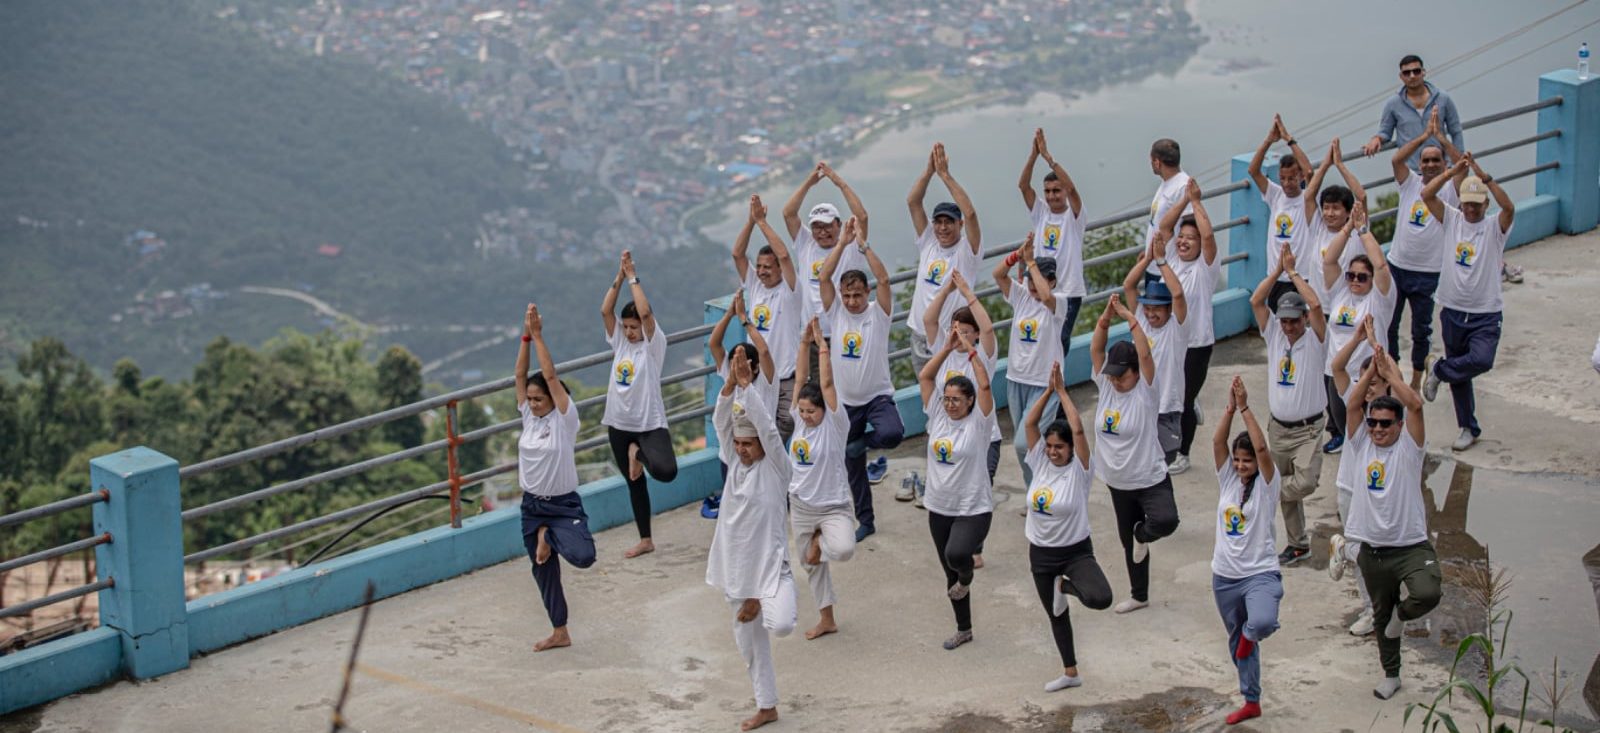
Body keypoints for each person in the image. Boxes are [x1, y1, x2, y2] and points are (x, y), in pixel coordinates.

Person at [1331, 343, 1440, 700]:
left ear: (1398, 425)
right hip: (1373, 548)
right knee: (1380, 616)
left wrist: (1391, 374)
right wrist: (1367, 375)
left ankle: (1401, 617)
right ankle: (1391, 674)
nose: (1377, 428)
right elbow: (1351, 405)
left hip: (1409, 545)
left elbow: (1416, 405)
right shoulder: (1361, 442)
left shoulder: (1410, 447)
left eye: (1384, 424)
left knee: (1427, 593)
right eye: (1373, 422)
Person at [707, 352, 798, 731]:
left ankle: (763, 599)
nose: (742, 449)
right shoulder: (734, 462)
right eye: (739, 443)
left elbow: (770, 430)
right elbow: (720, 422)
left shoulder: (777, 468)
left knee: (781, 625)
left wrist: (748, 387)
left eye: (749, 443)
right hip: (736, 569)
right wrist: (729, 386)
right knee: (749, 646)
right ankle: (767, 706)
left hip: (771, 570)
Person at [1023, 363, 1111, 692]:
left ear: (1071, 451)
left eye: (1059, 447)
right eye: (1049, 446)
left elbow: (1078, 431)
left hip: (1075, 552)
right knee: (1057, 618)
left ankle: (1065, 587)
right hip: (1041, 555)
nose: (1053, 451)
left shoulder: (1080, 470)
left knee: (1101, 597)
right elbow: (1030, 424)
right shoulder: (1040, 462)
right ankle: (1070, 672)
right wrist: (1047, 391)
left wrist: (1063, 392)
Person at [514, 304, 596, 653]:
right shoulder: (529, 418)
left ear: (554, 399)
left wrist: (540, 337)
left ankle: (550, 535)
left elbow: (548, 375)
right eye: (529, 400)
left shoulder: (565, 421)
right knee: (543, 572)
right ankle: (559, 631)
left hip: (563, 505)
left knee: (583, 556)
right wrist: (524, 336)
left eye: (538, 400)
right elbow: (520, 377)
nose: (531, 404)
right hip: (532, 506)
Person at [1090, 294, 1179, 614]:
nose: (1115, 380)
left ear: (1137, 373)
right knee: (1128, 544)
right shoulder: (1105, 387)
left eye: (1121, 375)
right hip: (1117, 481)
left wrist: (1129, 315)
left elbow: (1143, 350)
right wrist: (1104, 317)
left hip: (1148, 476)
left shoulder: (1146, 390)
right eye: (1112, 375)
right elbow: (1097, 349)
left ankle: (1143, 534)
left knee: (1166, 521)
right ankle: (1139, 594)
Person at [1421, 153, 1515, 452]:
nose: (1471, 209)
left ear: (1485, 204)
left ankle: (1439, 369)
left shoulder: (1493, 228)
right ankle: (1467, 427)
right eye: (1467, 203)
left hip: (1485, 312)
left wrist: (1482, 176)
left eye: (1477, 204)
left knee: (1481, 360)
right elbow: (1426, 193)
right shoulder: (1451, 218)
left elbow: (1509, 207)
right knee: (1462, 379)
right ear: (1461, 202)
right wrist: (1451, 173)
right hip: (1452, 308)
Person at [819, 220, 905, 541]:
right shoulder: (837, 313)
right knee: (852, 467)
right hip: (846, 403)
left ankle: (863, 444)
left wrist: (863, 246)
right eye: (848, 295)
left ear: (866, 293)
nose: (852, 300)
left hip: (877, 398)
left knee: (893, 433)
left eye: (857, 294)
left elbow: (883, 278)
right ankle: (865, 521)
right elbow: (824, 277)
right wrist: (841, 244)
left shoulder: (877, 314)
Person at [917, 324, 998, 650]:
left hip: (973, 507)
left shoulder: (979, 422)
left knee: (958, 555)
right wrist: (948, 349)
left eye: (956, 400)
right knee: (949, 572)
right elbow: (925, 377)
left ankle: (967, 577)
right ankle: (963, 628)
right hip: (939, 506)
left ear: (969, 402)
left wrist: (972, 350)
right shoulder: (936, 415)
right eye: (947, 399)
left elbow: (985, 384)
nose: (950, 405)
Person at [1248, 246, 1327, 567]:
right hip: (1278, 427)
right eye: (1284, 320)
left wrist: (1293, 273)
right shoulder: (1274, 335)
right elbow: (1256, 301)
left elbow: (1318, 304)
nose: (1289, 326)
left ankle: (1265, 496)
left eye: (1295, 320)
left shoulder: (1317, 338)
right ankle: (1298, 544)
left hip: (1308, 429)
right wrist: (1276, 271)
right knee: (1288, 498)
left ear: (1304, 319)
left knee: (1304, 482)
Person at [1210, 376, 1282, 726]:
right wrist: (1227, 409)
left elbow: (1264, 450)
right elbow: (1217, 441)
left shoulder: (1267, 485)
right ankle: (1251, 699)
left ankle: (1249, 638)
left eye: (1246, 462)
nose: (1241, 466)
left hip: (1259, 572)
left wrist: (1245, 408)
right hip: (1224, 575)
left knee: (1261, 622)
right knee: (1235, 639)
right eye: (1238, 461)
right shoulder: (1227, 479)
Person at [600, 251, 678, 559]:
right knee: (634, 483)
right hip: (619, 424)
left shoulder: (653, 345)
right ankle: (645, 539)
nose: (630, 332)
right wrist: (618, 278)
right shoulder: (619, 342)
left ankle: (638, 454)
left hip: (649, 424)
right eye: (627, 327)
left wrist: (633, 277)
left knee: (666, 471)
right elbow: (605, 310)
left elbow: (646, 316)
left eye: (634, 327)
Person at [788, 319, 857, 641]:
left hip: (832, 505)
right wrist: (803, 344)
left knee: (842, 550)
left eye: (811, 412)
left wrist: (822, 347)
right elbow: (801, 378)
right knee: (811, 567)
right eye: (802, 410)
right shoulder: (798, 421)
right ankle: (826, 619)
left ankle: (819, 542)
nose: (805, 416)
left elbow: (825, 385)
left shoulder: (834, 424)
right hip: (801, 503)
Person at [1386, 108, 1463, 389]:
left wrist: (1441, 138)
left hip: (1428, 272)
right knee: (1389, 325)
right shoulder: (1410, 183)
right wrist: (1424, 136)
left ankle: (1417, 377)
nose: (1430, 165)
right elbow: (1396, 159)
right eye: (1426, 161)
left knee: (1421, 329)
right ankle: (1393, 373)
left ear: (1443, 164)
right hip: (1397, 266)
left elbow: (1463, 165)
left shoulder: (1450, 190)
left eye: (1435, 161)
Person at [910, 271, 1000, 508]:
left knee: (977, 492)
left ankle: (974, 542)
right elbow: (929, 320)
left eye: (965, 332)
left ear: (975, 334)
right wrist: (947, 290)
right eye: (954, 330)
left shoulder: (983, 355)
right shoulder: (944, 349)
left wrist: (967, 292)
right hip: (947, 432)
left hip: (982, 435)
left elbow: (988, 329)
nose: (958, 336)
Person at [1302, 138, 1368, 454]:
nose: (1329, 213)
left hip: (1344, 313)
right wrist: (1324, 165)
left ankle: (1349, 425)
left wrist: (1340, 165)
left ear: (1346, 213)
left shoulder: (1354, 232)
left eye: (1335, 209)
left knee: (1345, 369)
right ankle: (1334, 425)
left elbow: (1362, 196)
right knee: (1324, 371)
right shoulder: (1316, 229)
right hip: (1318, 311)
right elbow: (1308, 195)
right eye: (1327, 208)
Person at [1151, 178, 1220, 474]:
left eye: (1190, 238)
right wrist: (1183, 202)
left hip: (1196, 343)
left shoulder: (1205, 268)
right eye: (1182, 237)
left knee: (1184, 398)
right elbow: (1163, 229)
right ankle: (1166, 445)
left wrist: (1197, 203)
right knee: (1167, 394)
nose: (1183, 241)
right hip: (1170, 342)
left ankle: (1183, 452)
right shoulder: (1171, 262)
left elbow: (1209, 238)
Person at [1328, 316, 1391, 637]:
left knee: (1382, 551)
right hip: (1351, 489)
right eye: (1365, 382)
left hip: (1382, 492)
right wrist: (1358, 341)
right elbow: (1338, 367)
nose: (1368, 389)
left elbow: (1402, 385)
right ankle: (1370, 611)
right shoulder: (1356, 405)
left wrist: (1378, 344)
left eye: (1375, 383)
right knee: (1365, 555)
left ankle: (1344, 549)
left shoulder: (1395, 413)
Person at [1321, 200, 1396, 465]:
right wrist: (1348, 226)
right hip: (1338, 375)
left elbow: (1382, 267)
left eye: (1362, 277)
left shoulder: (1379, 300)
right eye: (1351, 275)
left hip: (1369, 378)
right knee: (1350, 434)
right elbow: (1330, 259)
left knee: (1375, 433)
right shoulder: (1340, 292)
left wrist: (1363, 230)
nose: (1354, 280)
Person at [993, 233, 1066, 486]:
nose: (1033, 286)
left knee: (1025, 443)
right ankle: (1036, 490)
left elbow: (1046, 297)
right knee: (1027, 446)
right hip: (1016, 380)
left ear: (1052, 281)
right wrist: (1018, 256)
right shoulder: (1021, 297)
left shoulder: (1059, 303)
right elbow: (998, 275)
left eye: (1039, 280)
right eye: (1030, 281)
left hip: (1045, 385)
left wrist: (1032, 264)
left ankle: (1044, 485)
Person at [907, 142, 983, 373]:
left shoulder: (967, 251)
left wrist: (945, 176)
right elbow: (913, 202)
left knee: (954, 392)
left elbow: (970, 213)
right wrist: (929, 171)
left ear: (958, 224)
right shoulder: (928, 242)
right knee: (929, 396)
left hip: (950, 338)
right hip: (920, 334)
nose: (942, 227)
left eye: (948, 222)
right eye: (938, 222)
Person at [732, 193, 801, 441]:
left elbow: (784, 255)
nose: (761, 272)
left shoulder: (791, 290)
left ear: (780, 270)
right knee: (758, 433)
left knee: (786, 426)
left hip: (785, 379)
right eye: (759, 267)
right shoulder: (756, 285)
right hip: (758, 377)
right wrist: (751, 221)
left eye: (767, 267)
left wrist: (762, 222)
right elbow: (738, 254)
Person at [1019, 128, 1088, 361]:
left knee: (1060, 339)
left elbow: (1072, 189)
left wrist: (1049, 159)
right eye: (1047, 192)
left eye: (1056, 191)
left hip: (1068, 290)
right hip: (1041, 287)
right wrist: (1033, 155)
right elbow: (1023, 187)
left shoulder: (1075, 216)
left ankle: (1055, 385)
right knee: (1043, 337)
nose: (1051, 196)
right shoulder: (1041, 212)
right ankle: (1046, 384)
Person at [1121, 239, 1189, 473]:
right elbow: (1129, 286)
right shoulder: (1140, 319)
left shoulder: (1176, 329)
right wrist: (1147, 259)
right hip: (1140, 403)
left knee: (1161, 466)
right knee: (1138, 465)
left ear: (1168, 310)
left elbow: (1178, 294)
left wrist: (1161, 261)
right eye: (1147, 308)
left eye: (1156, 309)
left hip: (1165, 407)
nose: (1150, 314)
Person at [1246, 115, 1316, 312]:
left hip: (1302, 276)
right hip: (1276, 276)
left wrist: (1288, 139)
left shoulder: (1307, 199)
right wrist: (1269, 140)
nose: (1287, 183)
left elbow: (1310, 171)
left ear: (1300, 176)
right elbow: (1253, 170)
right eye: (1283, 178)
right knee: (1278, 327)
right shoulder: (1275, 195)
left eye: (1292, 178)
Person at [1362, 54, 1465, 168]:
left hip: (1441, 168)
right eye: (1407, 73)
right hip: (1410, 173)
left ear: (1423, 72)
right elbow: (1385, 132)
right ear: (1401, 76)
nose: (1412, 76)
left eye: (1416, 71)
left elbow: (1455, 131)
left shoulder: (1443, 98)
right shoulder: (1393, 104)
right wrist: (1376, 139)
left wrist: (1458, 162)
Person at [1144, 138, 1191, 273]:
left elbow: (1190, 226)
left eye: (1152, 161)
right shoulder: (1168, 182)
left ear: (1157, 163)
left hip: (1169, 267)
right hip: (1155, 263)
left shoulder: (1182, 186)